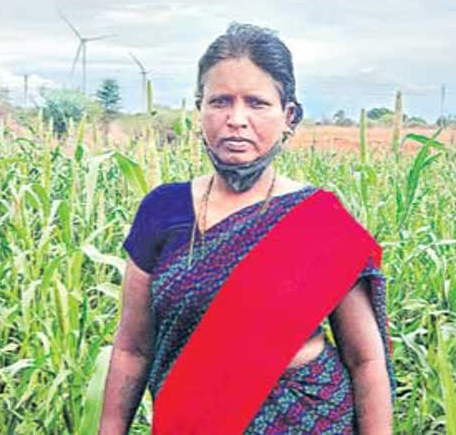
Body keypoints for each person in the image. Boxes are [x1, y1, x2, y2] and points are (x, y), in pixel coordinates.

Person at [98, 22, 396, 434]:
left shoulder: (320, 223)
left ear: (289, 116)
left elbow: (366, 360)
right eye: (220, 101)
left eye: (256, 103)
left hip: (305, 422)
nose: (236, 119)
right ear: (199, 109)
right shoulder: (162, 212)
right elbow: (132, 349)